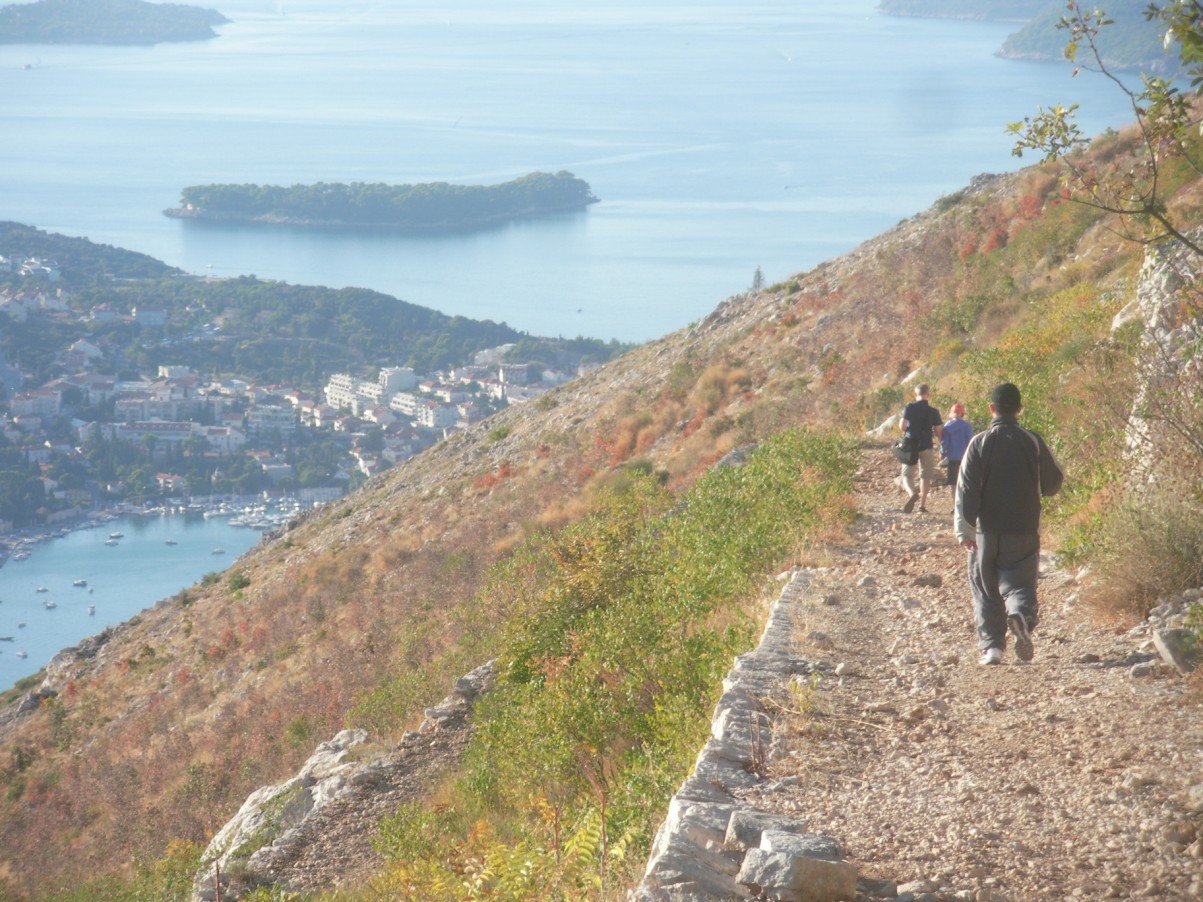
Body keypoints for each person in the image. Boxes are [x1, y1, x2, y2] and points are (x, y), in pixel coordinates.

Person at [954, 383, 1064, 665]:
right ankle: (1020, 615)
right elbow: (1053, 484)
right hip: (1025, 529)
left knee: (986, 587)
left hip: (987, 531)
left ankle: (992, 649)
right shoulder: (1033, 441)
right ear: (1019, 409)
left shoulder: (978, 442)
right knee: (1020, 584)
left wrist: (965, 529)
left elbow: (966, 491)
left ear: (991, 409)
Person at [898, 383, 943, 513]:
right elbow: (939, 430)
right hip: (926, 444)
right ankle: (922, 506)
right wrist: (941, 445)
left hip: (910, 444)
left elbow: (903, 426)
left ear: (915, 394)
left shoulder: (909, 407)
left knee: (907, 474)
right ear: (928, 394)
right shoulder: (933, 411)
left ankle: (912, 493)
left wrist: (909, 430)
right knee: (925, 475)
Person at [940, 402, 974, 489]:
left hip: (952, 459)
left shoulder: (948, 426)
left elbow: (945, 442)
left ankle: (955, 501)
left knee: (954, 484)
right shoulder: (967, 426)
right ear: (962, 413)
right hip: (965, 458)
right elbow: (970, 442)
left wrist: (942, 452)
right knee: (965, 482)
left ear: (952, 413)